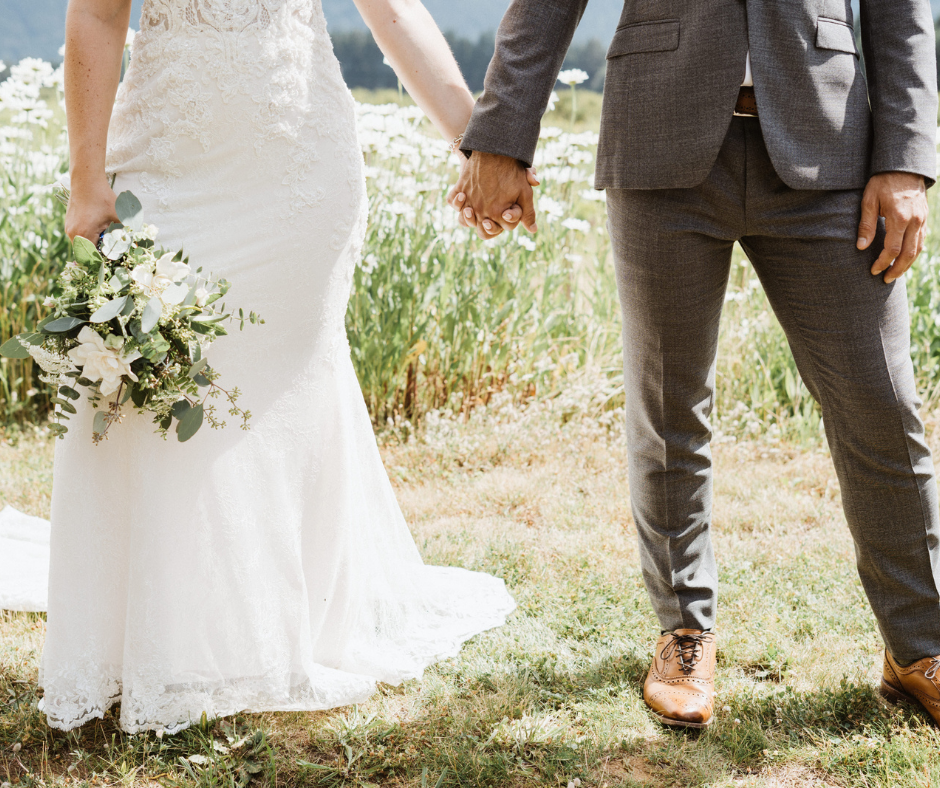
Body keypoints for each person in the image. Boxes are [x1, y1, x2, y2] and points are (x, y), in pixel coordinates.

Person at [451, 0, 940, 728]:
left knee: (881, 402)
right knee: (669, 404)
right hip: (659, 131)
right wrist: (501, 135)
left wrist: (904, 156)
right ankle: (683, 632)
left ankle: (920, 647)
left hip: (831, 139)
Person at [44, 0, 518, 734]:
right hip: (167, 162)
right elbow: (98, 17)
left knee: (277, 393)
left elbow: (392, 10)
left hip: (299, 169)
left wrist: (481, 140)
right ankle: (147, 636)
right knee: (142, 395)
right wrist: (86, 182)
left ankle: (282, 626)